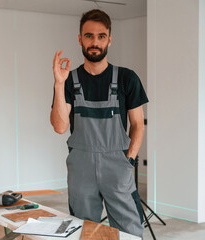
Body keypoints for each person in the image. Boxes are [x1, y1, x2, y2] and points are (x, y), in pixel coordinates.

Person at [50, 9, 148, 238]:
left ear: (109, 39)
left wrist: (129, 161)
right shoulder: (68, 80)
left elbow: (137, 125)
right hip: (81, 166)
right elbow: (60, 127)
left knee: (131, 230)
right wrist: (57, 83)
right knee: (84, 231)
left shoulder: (127, 78)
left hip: (118, 165)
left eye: (101, 36)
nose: (95, 42)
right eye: (89, 36)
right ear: (80, 38)